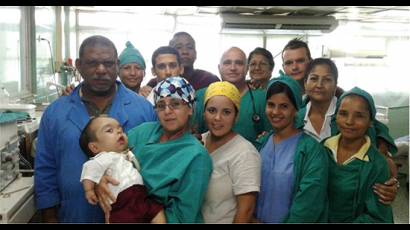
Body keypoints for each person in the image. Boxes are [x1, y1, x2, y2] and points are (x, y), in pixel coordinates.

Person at [34, 35, 157, 223]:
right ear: (79, 65)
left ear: (117, 65)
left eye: (108, 63)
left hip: (132, 215)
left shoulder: (143, 110)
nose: (101, 70)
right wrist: (49, 217)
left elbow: (155, 163)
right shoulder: (56, 113)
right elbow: (46, 169)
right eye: (92, 63)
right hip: (76, 214)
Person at [96, 76, 213, 223]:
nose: (167, 111)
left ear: (190, 108)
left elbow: (183, 216)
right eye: (161, 105)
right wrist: (99, 179)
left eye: (175, 104)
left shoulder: (196, 156)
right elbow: (108, 157)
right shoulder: (142, 132)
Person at [296, 58, 399, 204]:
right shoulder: (295, 118)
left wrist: (390, 178)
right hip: (307, 195)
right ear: (305, 83)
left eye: (327, 79)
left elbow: (375, 125)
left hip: (347, 198)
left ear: (336, 84)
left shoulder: (346, 113)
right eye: (313, 79)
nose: (319, 85)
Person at [254, 76, 328, 223]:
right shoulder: (261, 143)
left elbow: (308, 205)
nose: (275, 112)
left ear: (296, 110)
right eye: (271, 105)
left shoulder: (312, 151)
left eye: (284, 106)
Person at [324, 87, 393, 223]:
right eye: (343, 113)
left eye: (359, 116)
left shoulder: (377, 164)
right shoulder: (322, 150)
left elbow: (377, 217)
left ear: (370, 122)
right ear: (335, 116)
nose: (349, 121)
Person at [79, 116, 165, 223]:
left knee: (157, 211)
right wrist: (89, 190)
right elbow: (89, 169)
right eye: (110, 130)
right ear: (95, 147)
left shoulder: (127, 154)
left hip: (141, 197)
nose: (119, 132)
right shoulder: (103, 158)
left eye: (120, 129)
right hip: (121, 203)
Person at [200, 81, 261, 223]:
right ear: (204, 113)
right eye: (212, 110)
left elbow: (245, 211)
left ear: (236, 116)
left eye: (226, 112)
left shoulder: (244, 153)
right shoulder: (197, 144)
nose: (217, 118)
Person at [194, 47, 271, 147]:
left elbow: (271, 136)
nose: (233, 68)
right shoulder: (201, 96)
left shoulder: (261, 98)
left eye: (239, 63)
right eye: (227, 63)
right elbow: (194, 133)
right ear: (219, 67)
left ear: (247, 68)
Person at [61, 41, 146, 95]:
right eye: (127, 68)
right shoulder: (72, 96)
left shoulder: (150, 98)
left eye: (138, 68)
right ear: (118, 70)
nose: (132, 73)